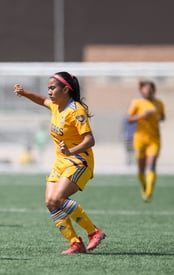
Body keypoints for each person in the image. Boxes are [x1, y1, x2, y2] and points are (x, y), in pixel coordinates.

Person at [14, 72, 105, 254]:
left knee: (58, 198)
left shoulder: (76, 110)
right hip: (61, 162)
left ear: (66, 89)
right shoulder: (56, 106)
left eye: (53, 88)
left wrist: (70, 151)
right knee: (50, 202)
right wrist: (25, 94)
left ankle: (94, 232)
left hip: (79, 161)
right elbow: (41, 100)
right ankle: (75, 243)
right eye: (48, 88)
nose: (49, 92)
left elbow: (90, 140)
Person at [127, 80, 165, 202]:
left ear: (153, 90)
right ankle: (144, 187)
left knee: (152, 164)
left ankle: (148, 193)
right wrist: (142, 115)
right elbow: (129, 119)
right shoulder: (136, 103)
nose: (148, 91)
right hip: (140, 139)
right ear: (141, 90)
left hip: (154, 139)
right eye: (145, 88)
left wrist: (159, 117)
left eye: (150, 88)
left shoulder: (159, 103)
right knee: (140, 170)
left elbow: (162, 116)